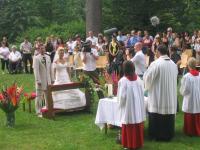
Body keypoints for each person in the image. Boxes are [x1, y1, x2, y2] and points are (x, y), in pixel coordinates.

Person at [144, 44, 178, 141]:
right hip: (169, 96)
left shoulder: (155, 64)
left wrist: (146, 84)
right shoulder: (173, 64)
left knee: (157, 112)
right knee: (167, 115)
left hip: (158, 96)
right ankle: (168, 134)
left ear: (158, 52)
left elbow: (148, 79)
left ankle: (156, 135)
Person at [117, 61, 145, 150]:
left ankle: (129, 144)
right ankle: (138, 143)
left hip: (128, 108)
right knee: (137, 122)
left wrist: (120, 104)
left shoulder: (123, 81)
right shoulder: (139, 80)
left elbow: (122, 97)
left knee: (128, 123)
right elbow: (142, 93)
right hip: (137, 107)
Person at [180, 57, 200, 136]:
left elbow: (185, 89)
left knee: (190, 112)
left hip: (190, 97)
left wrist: (182, 92)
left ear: (188, 65)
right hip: (198, 97)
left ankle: (190, 130)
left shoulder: (187, 77)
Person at [33, 44, 54, 117]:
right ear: (38, 49)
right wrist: (38, 80)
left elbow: (50, 69)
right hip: (40, 80)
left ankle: (47, 109)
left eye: (43, 48)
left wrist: (52, 79)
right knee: (39, 96)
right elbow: (36, 70)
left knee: (47, 96)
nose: (42, 49)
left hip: (48, 80)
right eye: (41, 48)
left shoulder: (48, 57)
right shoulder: (36, 58)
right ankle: (38, 111)